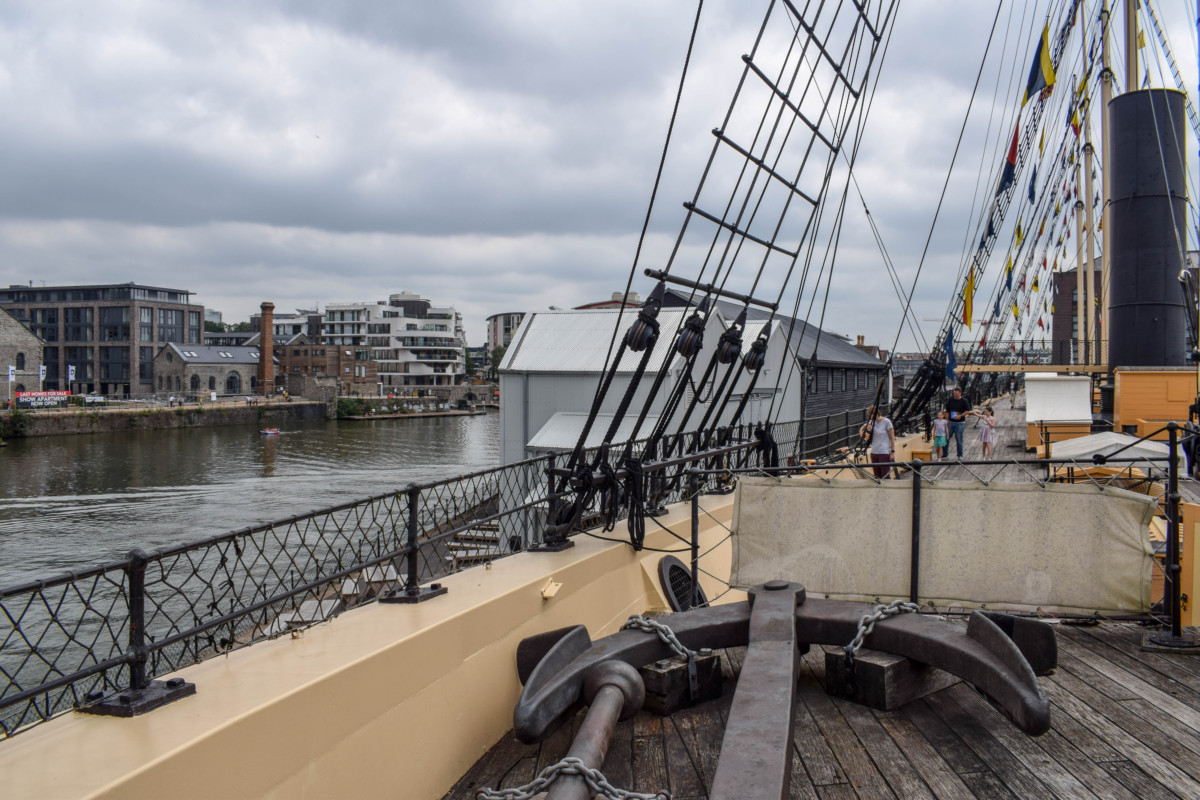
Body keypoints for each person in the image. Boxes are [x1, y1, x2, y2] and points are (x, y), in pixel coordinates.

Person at [859, 405, 895, 479]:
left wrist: (892, 452)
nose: (871, 416)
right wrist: (863, 430)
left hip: (884, 452)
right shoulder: (871, 423)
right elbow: (864, 434)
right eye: (870, 415)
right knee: (877, 476)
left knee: (885, 475)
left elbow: (892, 438)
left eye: (872, 414)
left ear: (877, 413)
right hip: (874, 452)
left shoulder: (886, 422)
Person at [945, 387, 972, 459]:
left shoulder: (964, 401)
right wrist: (947, 420)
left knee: (959, 439)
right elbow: (947, 411)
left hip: (960, 423)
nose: (955, 395)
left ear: (960, 393)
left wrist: (960, 415)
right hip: (951, 422)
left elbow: (967, 411)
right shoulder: (950, 400)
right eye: (954, 393)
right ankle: (945, 454)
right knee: (946, 438)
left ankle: (960, 455)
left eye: (956, 393)